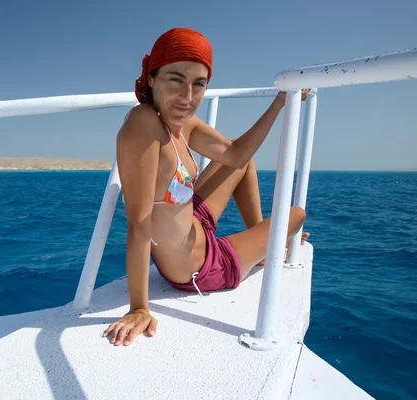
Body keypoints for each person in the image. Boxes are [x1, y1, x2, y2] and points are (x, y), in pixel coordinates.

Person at [103, 27, 309, 347]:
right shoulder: (143, 124)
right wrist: (139, 307)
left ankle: (261, 243)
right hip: (202, 267)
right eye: (175, 79)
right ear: (152, 77)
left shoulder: (182, 123)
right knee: (296, 215)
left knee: (243, 164)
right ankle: (264, 245)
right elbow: (139, 224)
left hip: (195, 223)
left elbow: (237, 154)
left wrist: (280, 103)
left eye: (198, 84)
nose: (187, 97)